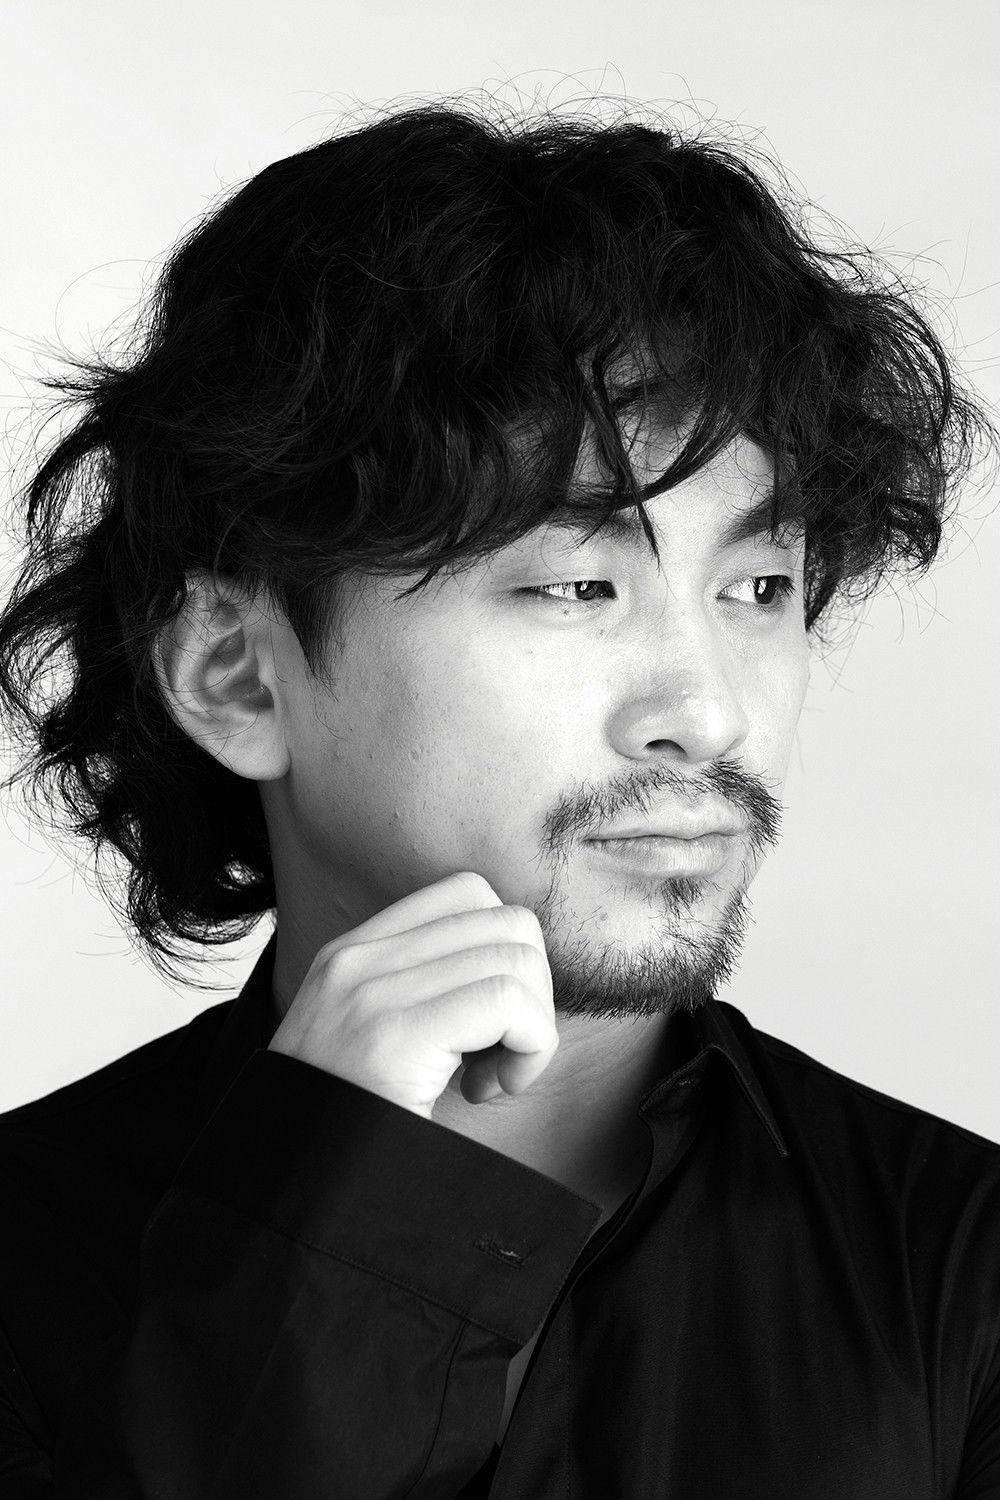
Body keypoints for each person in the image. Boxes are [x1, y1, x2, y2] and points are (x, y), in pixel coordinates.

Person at [0, 96, 997, 1499]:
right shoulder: (24, 1267)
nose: (709, 712)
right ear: (238, 675)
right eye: (578, 586)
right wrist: (317, 1253)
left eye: (760, 586)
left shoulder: (960, 1272)